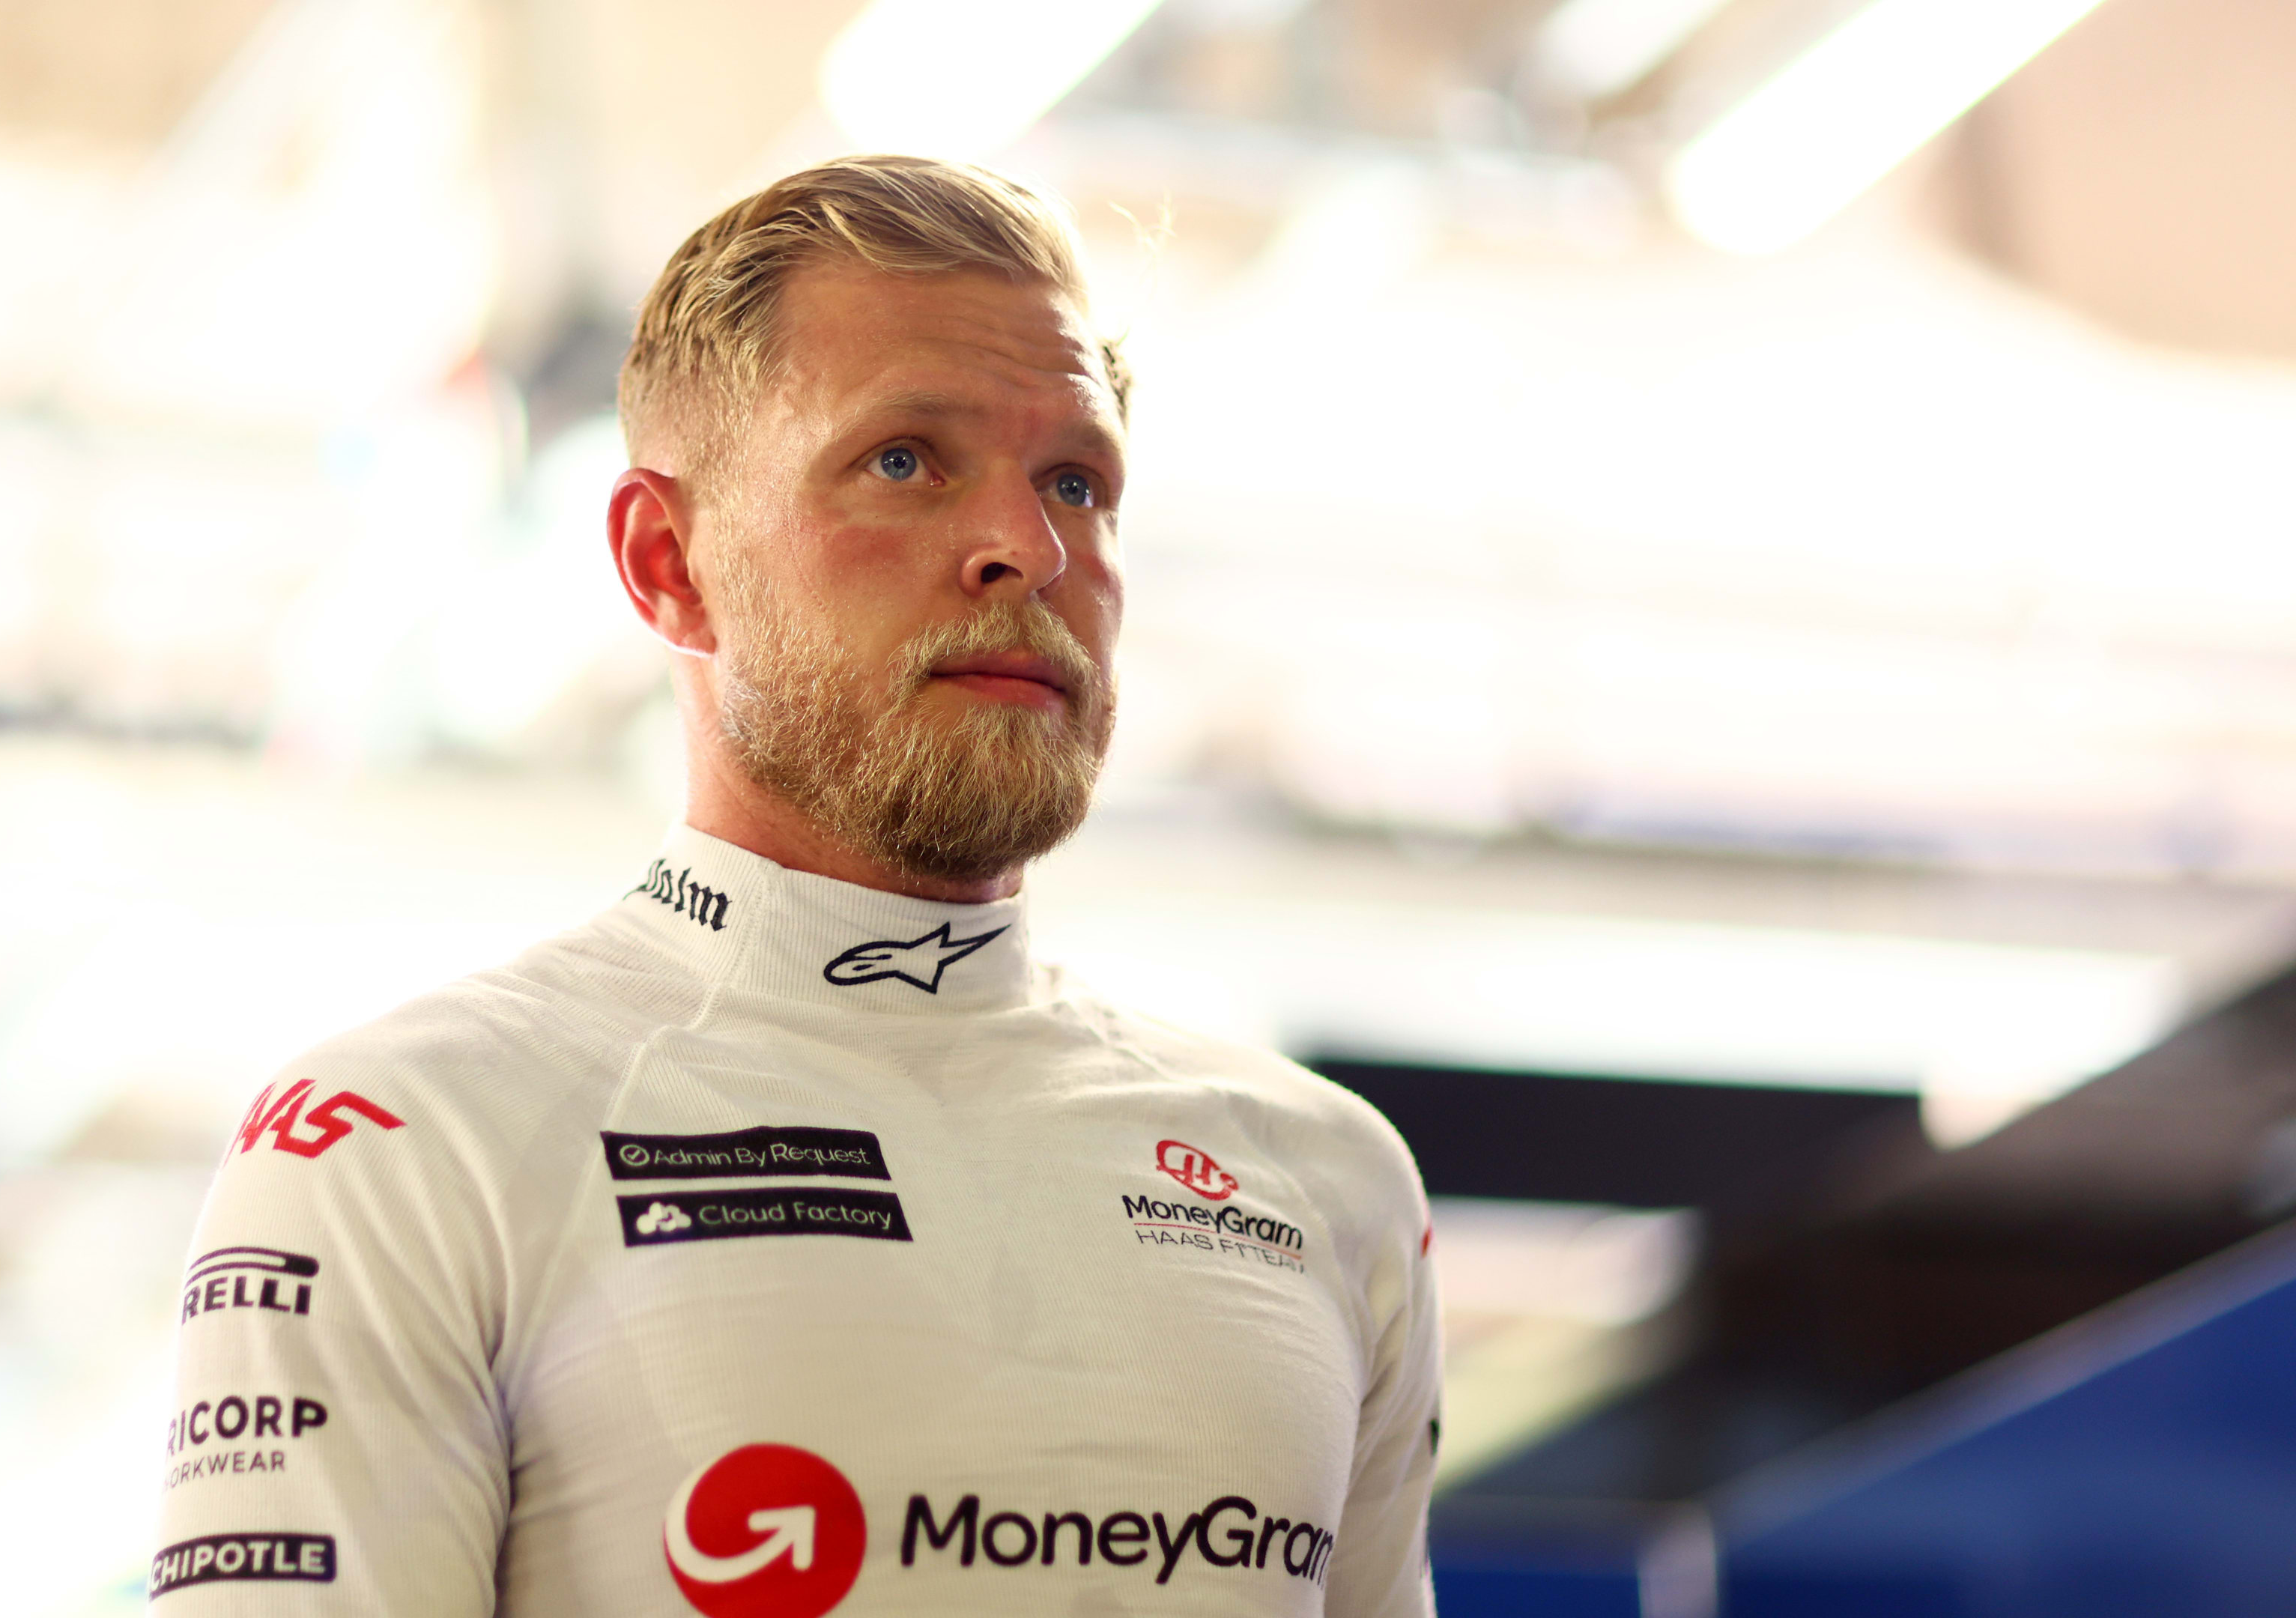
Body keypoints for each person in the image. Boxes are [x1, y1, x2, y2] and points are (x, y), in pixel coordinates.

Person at [153, 155, 1439, 1617]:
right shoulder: (405, 1140)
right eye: (905, 460)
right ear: (667, 562)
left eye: (1076, 479)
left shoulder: (1328, 1183)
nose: (1028, 546)